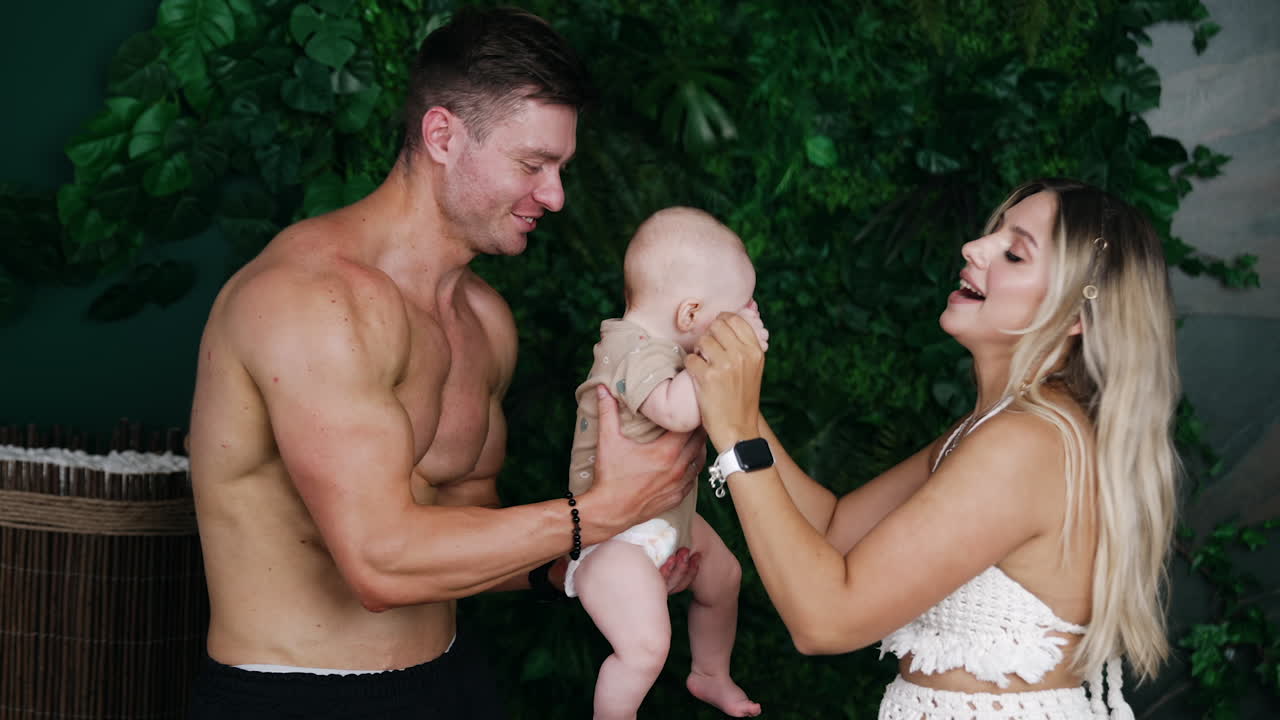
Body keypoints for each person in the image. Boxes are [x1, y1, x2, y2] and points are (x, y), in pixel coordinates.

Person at [184, 8, 703, 719]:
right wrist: (602, 512)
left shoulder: (481, 319)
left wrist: (573, 571)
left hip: (449, 683)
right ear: (442, 135)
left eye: (560, 168)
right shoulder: (312, 302)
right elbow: (378, 561)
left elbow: (465, 521)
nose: (554, 195)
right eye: (533, 165)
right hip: (297, 697)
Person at [683, 179, 1179, 719]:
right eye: (992, 234)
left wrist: (736, 435)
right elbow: (834, 529)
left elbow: (825, 620)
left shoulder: (1026, 444)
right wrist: (726, 392)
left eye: (1013, 253)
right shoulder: (994, 427)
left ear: (1077, 317)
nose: (974, 248)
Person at [565, 207, 766, 719]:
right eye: (732, 319)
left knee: (723, 577)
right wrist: (734, 361)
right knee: (645, 647)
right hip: (614, 536)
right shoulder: (631, 350)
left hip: (664, 517)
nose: (741, 327)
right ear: (690, 315)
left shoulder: (659, 350)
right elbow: (678, 412)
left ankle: (709, 673)